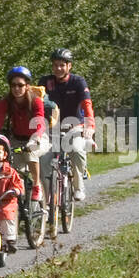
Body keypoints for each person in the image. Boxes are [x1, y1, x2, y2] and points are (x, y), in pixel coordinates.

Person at [0, 66, 49, 205]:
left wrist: (36, 136)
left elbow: (39, 120)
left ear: (27, 86)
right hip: (16, 139)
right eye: (13, 85)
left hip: (38, 137)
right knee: (11, 168)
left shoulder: (35, 101)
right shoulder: (6, 102)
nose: (16, 88)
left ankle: (36, 186)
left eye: (20, 85)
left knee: (30, 153)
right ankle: (19, 207)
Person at [39, 48, 95, 201]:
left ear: (69, 66)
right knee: (43, 159)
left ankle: (78, 187)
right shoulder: (45, 82)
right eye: (55, 65)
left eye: (62, 65)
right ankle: (48, 195)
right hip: (51, 128)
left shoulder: (78, 82)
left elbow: (87, 104)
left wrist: (90, 127)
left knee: (76, 150)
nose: (58, 68)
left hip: (74, 127)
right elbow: (36, 104)